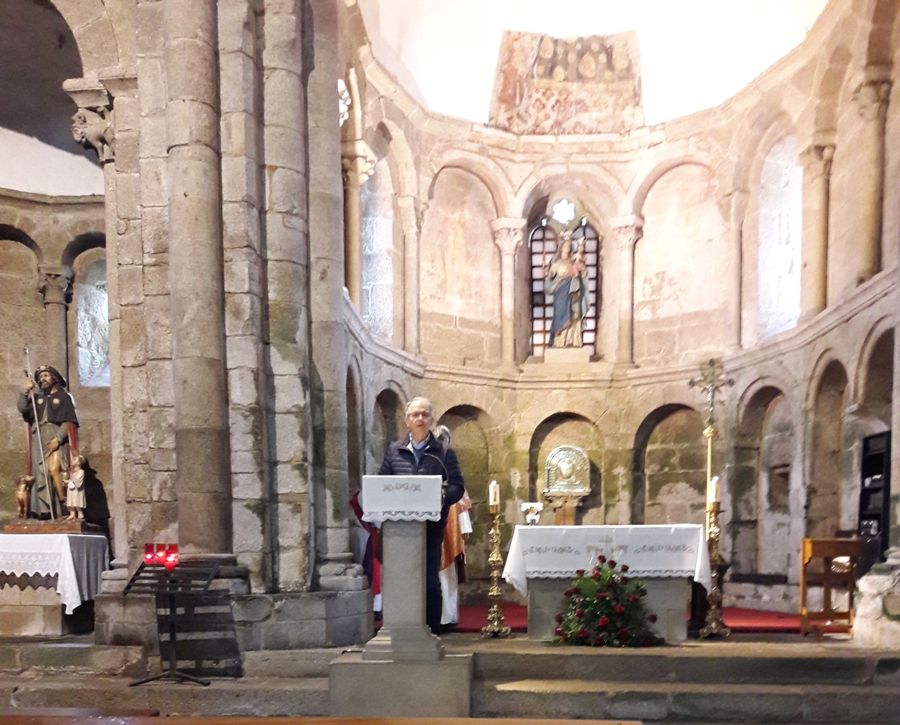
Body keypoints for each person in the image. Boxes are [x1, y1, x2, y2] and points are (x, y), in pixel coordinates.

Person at [378, 397, 465, 634]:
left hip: (430, 528)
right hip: (399, 530)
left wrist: (438, 496)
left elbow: (457, 487)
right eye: (415, 415)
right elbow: (383, 483)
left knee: (429, 582)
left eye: (424, 414)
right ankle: (400, 632)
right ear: (407, 420)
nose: (420, 419)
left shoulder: (444, 452)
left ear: (431, 420)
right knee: (401, 581)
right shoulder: (394, 451)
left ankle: (431, 632)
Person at [17, 365, 80, 518]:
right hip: (39, 436)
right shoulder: (37, 397)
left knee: (55, 470)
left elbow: (69, 421)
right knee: (40, 473)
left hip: (55, 435)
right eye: (40, 377)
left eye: (46, 375)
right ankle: (43, 510)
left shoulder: (64, 397)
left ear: (54, 378)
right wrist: (24, 391)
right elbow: (23, 409)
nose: (42, 379)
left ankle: (63, 506)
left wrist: (58, 438)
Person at [436, 425, 472, 629]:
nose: (441, 443)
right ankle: (437, 617)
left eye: (443, 439)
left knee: (447, 575)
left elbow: (461, 503)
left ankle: (448, 616)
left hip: (450, 534)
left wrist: (463, 531)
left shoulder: (453, 473)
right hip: (433, 530)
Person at [545, 231, 590, 348]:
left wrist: (582, 272)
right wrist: (547, 275)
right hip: (560, 290)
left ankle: (572, 341)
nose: (568, 247)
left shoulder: (573, 261)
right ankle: (559, 341)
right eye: (565, 245)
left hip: (573, 290)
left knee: (574, 314)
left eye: (569, 245)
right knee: (560, 313)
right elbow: (550, 276)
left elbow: (582, 274)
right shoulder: (556, 262)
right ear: (561, 247)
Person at [65, 455, 87, 521]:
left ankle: (80, 514)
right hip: (71, 490)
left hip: (77, 491)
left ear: (79, 463)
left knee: (77, 503)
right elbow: (71, 480)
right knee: (70, 502)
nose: (72, 461)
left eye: (74, 459)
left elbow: (78, 482)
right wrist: (66, 481)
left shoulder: (81, 472)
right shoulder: (74, 472)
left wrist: (73, 477)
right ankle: (72, 514)